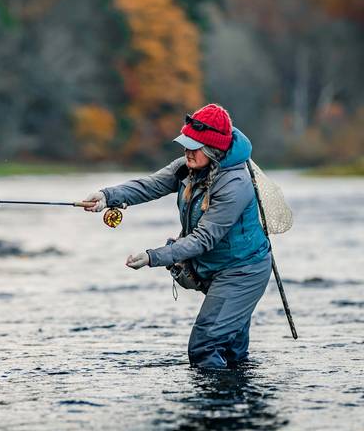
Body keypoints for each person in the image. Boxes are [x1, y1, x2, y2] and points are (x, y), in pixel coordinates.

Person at [83, 103, 272, 369]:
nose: (187, 151)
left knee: (204, 347)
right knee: (231, 354)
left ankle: (212, 409)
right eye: (185, 144)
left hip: (242, 273)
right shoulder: (187, 167)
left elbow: (203, 239)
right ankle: (236, 407)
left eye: (194, 146)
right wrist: (108, 196)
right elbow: (151, 185)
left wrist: (153, 257)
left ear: (213, 150)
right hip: (217, 270)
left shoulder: (235, 185)